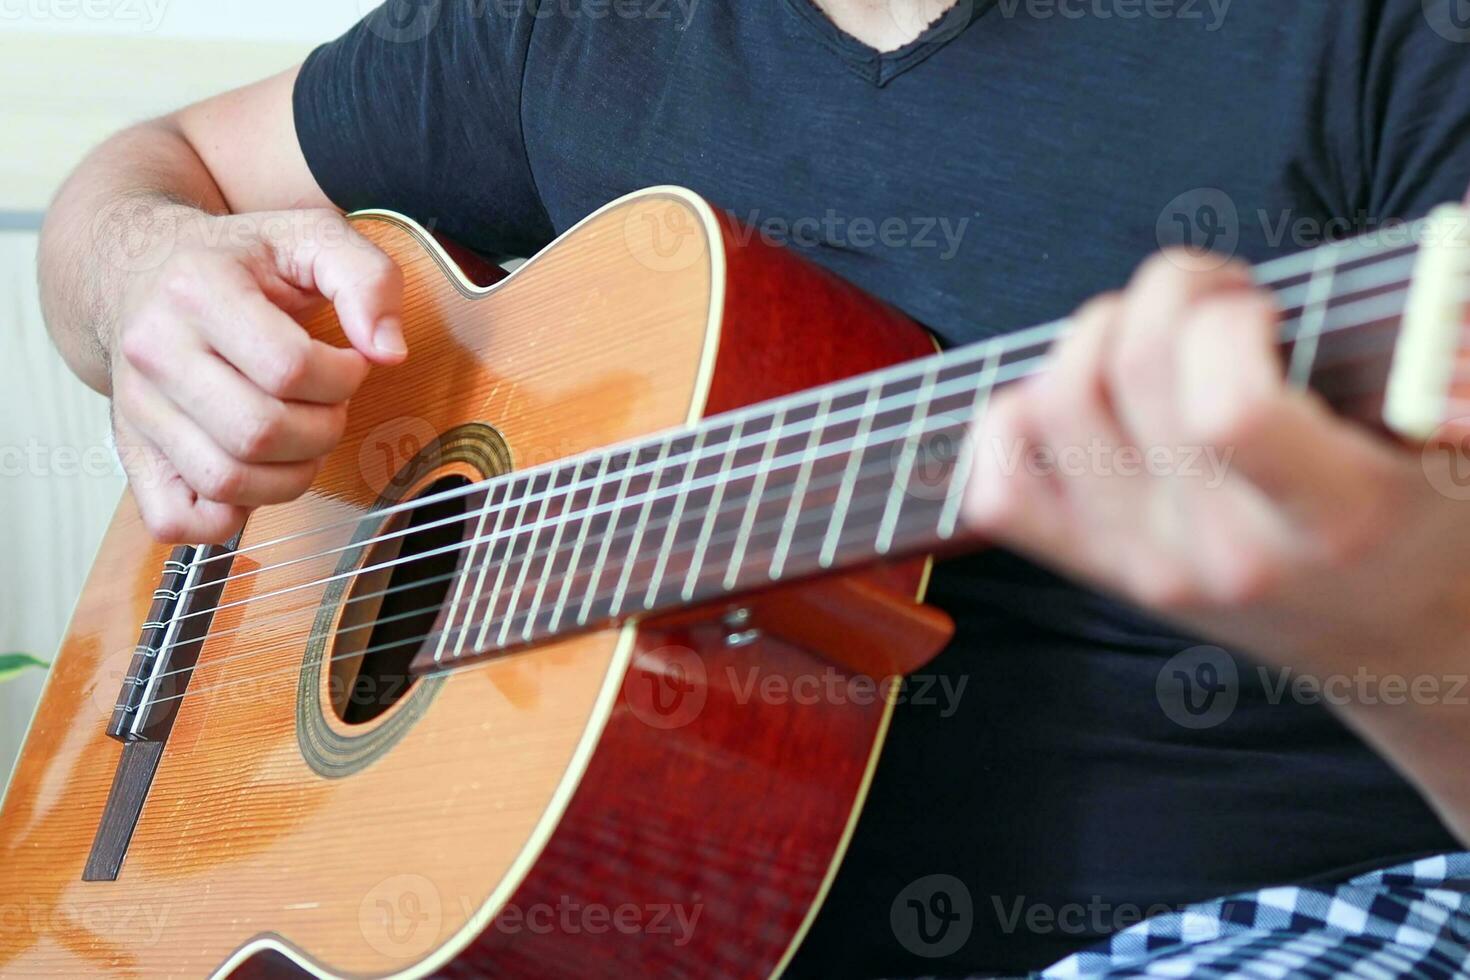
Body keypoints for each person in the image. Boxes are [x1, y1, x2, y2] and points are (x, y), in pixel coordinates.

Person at [37, 1, 1470, 975]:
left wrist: (1391, 618)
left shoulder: (1387, 43)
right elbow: (146, 176)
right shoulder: (572, 27)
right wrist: (140, 271)